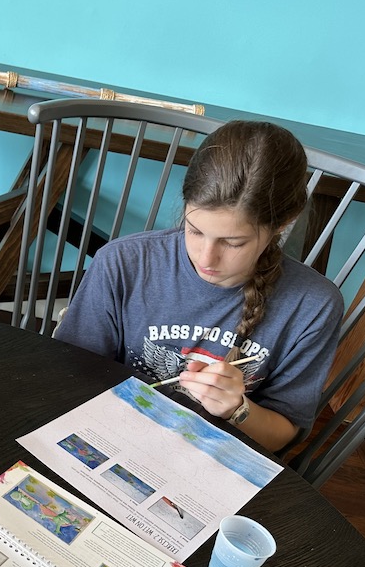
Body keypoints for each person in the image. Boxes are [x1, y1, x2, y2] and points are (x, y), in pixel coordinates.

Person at [53, 120, 343, 452]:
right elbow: (69, 380)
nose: (206, 258)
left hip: (216, 459)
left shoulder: (313, 305)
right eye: (194, 230)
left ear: (283, 224)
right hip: (109, 437)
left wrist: (238, 409)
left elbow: (281, 436)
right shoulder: (122, 264)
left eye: (233, 243)